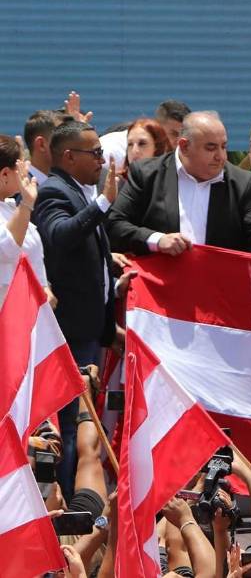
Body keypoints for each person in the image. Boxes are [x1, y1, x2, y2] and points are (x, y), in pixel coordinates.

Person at [33, 121, 120, 501]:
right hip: (67, 330)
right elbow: (61, 236)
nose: (102, 160)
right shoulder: (55, 192)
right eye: (95, 154)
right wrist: (103, 204)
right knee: (70, 422)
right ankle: (67, 504)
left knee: (84, 419)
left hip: (88, 329)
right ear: (68, 156)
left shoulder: (79, 191)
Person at [106, 111, 251, 257]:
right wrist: (157, 240)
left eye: (224, 146)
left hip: (218, 292)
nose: (221, 156)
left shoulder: (242, 182)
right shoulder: (147, 175)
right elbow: (114, 225)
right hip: (161, 290)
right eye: (211, 148)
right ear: (184, 146)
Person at [0, 136, 54, 306]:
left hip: (27, 313)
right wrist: (26, 203)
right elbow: (6, 248)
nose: (27, 170)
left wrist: (43, 287)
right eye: (22, 165)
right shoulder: (20, 207)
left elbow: (33, 252)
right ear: (5, 174)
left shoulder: (9, 207)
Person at [23, 110, 69, 185]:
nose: (72, 147)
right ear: (41, 144)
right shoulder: (18, 190)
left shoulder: (66, 186)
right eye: (64, 140)